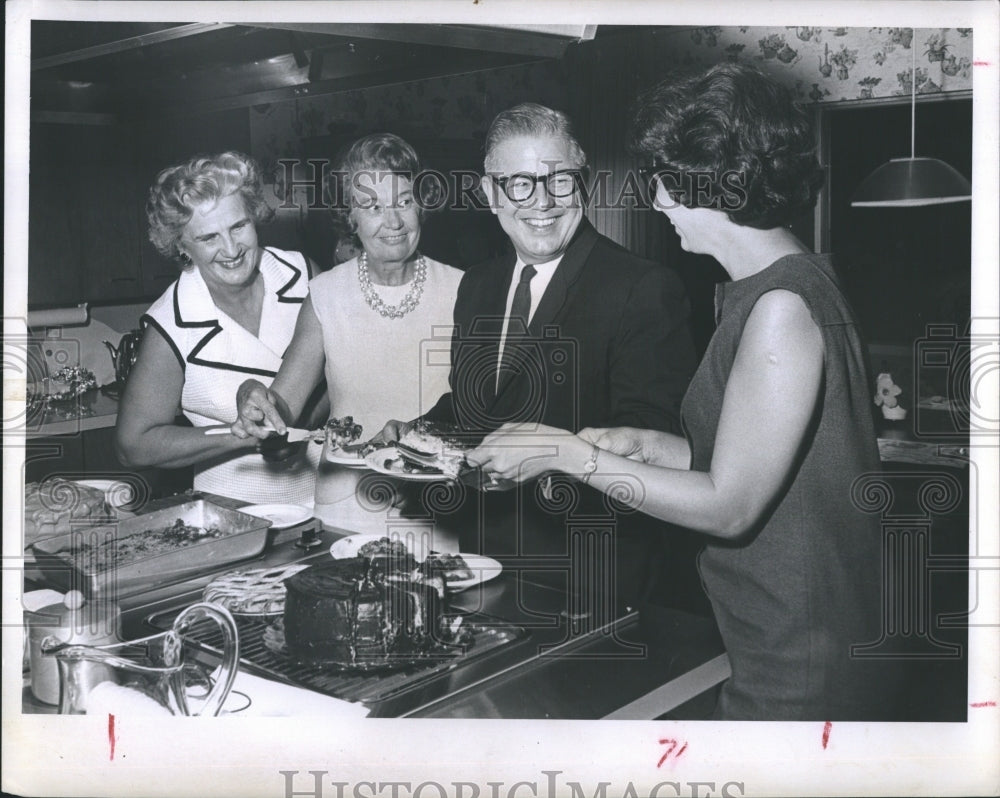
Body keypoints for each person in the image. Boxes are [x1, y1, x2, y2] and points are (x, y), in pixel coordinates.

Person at [468, 64, 897, 721]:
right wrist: (652, 447)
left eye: (664, 181)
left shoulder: (779, 306)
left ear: (711, 182)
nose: (658, 202)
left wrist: (568, 455)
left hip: (799, 652)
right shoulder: (781, 285)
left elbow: (729, 508)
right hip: (783, 634)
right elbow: (749, 462)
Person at [383, 103, 698, 617]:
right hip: (479, 565)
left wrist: (556, 456)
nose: (543, 202)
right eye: (520, 184)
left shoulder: (642, 288)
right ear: (490, 194)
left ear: (585, 183)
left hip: (592, 579)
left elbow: (658, 439)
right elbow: (472, 407)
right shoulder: (478, 283)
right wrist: (414, 435)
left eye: (561, 181)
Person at [231, 133, 463, 533]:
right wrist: (250, 395)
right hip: (346, 508)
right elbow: (283, 405)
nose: (392, 222)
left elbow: (482, 407)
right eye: (371, 206)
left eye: (403, 201)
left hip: (438, 510)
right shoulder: (325, 294)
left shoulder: (464, 289)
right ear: (349, 217)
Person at [116, 151, 323, 504]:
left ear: (255, 216)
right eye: (208, 237)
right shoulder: (173, 320)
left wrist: (291, 425)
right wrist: (237, 435)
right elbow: (133, 445)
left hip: (328, 496)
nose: (231, 249)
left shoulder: (303, 276)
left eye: (239, 226)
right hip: (234, 512)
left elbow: (337, 379)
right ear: (182, 246)